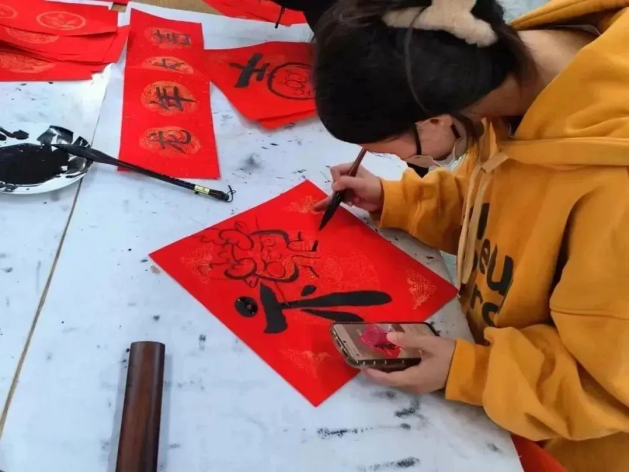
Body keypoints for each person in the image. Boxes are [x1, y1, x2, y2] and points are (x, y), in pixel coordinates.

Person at [311, 0, 629, 470]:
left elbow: (607, 382)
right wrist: (400, 199)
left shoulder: (615, 192)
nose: (400, 161)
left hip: (560, 440)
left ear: (434, 120)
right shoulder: (506, 77)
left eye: (392, 150)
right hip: (501, 382)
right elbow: (497, 199)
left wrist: (469, 371)